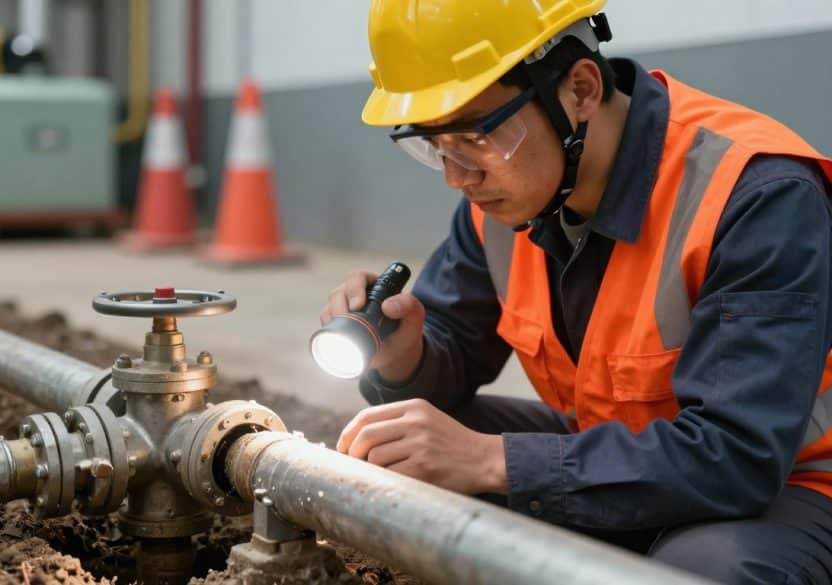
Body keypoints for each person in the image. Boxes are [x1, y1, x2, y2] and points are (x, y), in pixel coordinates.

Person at [320, 2, 832, 583]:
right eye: (434, 145)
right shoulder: (504, 203)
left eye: (474, 137)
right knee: (406, 447)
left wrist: (493, 462)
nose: (457, 177)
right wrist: (407, 358)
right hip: (621, 453)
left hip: (792, 484)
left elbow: (736, 457)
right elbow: (453, 348)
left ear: (581, 89)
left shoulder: (755, 196)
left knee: (703, 572)